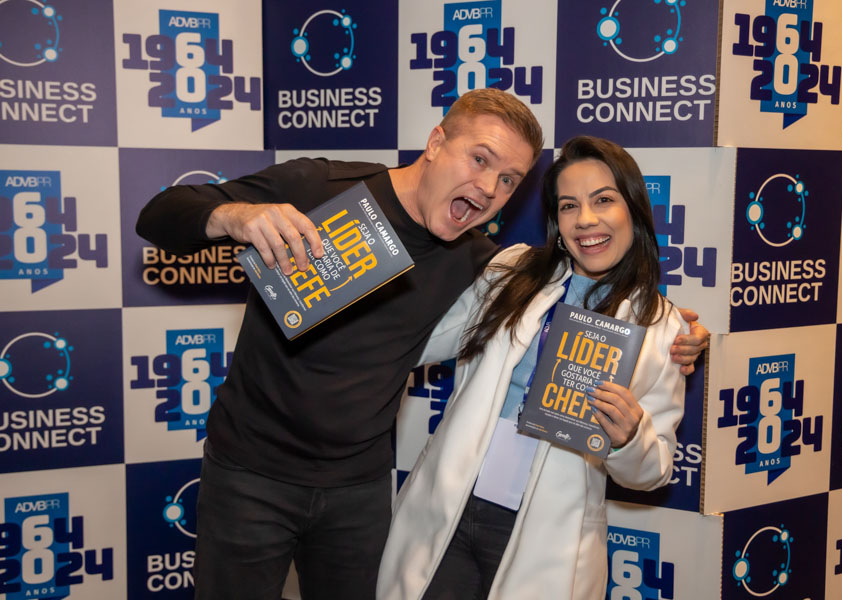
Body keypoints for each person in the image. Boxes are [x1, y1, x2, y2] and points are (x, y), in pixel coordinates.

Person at [136, 89, 707, 600]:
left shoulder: (479, 261)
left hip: (358, 490)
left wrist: (670, 331)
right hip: (251, 474)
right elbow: (159, 216)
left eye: (509, 180)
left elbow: (580, 305)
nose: (489, 187)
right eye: (479, 159)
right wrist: (235, 216)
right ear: (436, 142)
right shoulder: (322, 187)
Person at [378, 136, 690, 600]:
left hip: (545, 541)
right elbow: (421, 338)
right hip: (448, 512)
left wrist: (629, 437)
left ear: (634, 210)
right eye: (569, 206)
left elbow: (652, 472)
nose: (586, 220)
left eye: (604, 200)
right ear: (556, 221)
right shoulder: (511, 271)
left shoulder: (663, 328)